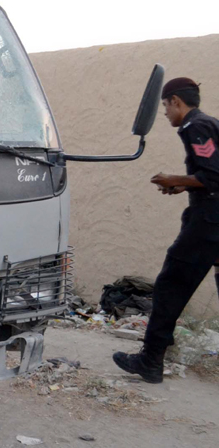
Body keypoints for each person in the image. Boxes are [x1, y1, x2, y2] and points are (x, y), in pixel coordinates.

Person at [113, 77, 219, 383]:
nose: (164, 113)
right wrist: (180, 187)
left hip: (209, 222)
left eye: (165, 106)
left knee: (171, 284)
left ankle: (151, 360)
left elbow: (213, 176)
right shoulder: (209, 124)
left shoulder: (194, 127)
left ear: (176, 101)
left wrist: (175, 178)